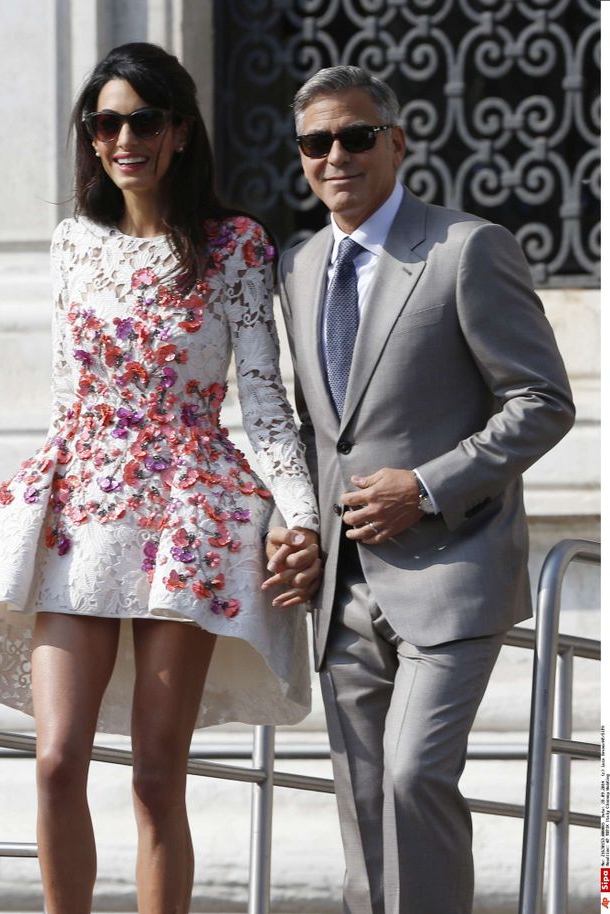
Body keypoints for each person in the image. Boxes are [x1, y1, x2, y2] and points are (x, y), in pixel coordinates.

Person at [0, 42, 320, 914]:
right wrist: (32, 507)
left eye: (143, 120)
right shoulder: (73, 242)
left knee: (156, 776)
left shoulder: (235, 245)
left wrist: (300, 518)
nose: (124, 138)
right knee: (54, 758)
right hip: (82, 505)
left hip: (189, 514)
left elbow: (264, 403)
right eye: (104, 122)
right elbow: (66, 396)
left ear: (181, 131)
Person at [264, 66, 575, 914]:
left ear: (395, 143)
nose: (337, 155)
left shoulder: (467, 249)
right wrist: (291, 527)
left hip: (453, 572)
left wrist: (428, 487)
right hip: (341, 589)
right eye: (316, 142)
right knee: (364, 807)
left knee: (413, 777)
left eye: (357, 136)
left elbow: (543, 402)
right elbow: (310, 426)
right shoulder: (295, 265)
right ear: (301, 158)